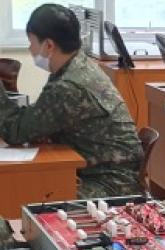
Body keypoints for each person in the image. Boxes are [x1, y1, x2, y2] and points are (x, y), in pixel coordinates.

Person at [0, 3, 143, 199]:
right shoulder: (77, 65)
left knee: (28, 194)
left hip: (111, 186)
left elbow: (14, 132)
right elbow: (39, 117)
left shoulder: (68, 86)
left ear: (48, 45)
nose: (30, 49)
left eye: (31, 42)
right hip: (102, 173)